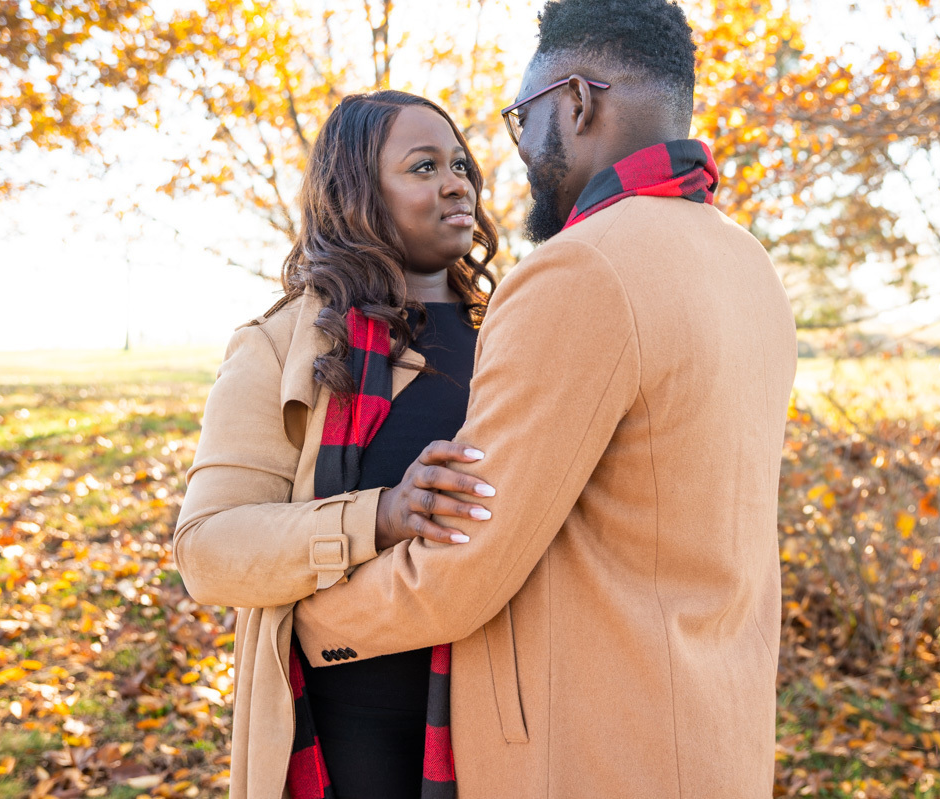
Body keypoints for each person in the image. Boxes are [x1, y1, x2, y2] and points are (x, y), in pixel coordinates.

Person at [292, 1, 798, 797]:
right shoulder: (747, 262)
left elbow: (466, 562)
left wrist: (306, 623)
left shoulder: (581, 270)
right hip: (718, 738)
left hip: (600, 755)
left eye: (522, 117)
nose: (518, 149)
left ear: (577, 101)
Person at [173, 91, 501, 799]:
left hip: (505, 714)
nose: (457, 184)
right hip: (346, 728)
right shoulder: (280, 347)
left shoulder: (514, 331)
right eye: (423, 167)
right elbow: (207, 549)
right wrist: (381, 515)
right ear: (357, 195)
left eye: (460, 164)